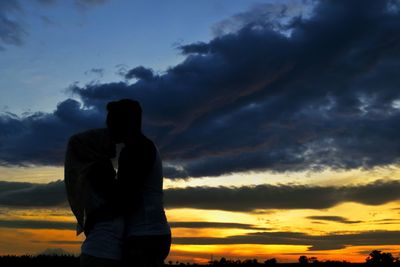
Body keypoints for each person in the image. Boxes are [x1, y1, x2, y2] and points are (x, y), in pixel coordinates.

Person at [106, 99, 171, 267]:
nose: (108, 126)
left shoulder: (135, 150)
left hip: (144, 238)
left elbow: (126, 199)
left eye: (111, 121)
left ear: (125, 122)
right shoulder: (143, 147)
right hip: (151, 235)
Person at [64, 129, 124, 267]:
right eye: (108, 141)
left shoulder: (94, 171)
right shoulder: (99, 171)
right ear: (97, 145)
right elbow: (119, 202)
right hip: (103, 253)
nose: (114, 144)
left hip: (100, 251)